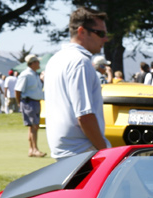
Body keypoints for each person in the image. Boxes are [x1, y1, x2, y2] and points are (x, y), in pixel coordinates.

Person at [44, 6, 111, 159]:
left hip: (65, 151)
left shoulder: (56, 59)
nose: (105, 39)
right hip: (82, 152)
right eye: (100, 33)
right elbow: (84, 116)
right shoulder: (80, 62)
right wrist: (105, 152)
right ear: (81, 31)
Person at [15, 55, 46, 158]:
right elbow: (18, 90)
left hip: (36, 102)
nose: (39, 63)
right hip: (29, 102)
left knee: (33, 127)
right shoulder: (26, 74)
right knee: (34, 126)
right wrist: (20, 103)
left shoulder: (35, 74)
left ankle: (32, 149)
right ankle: (35, 149)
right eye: (37, 61)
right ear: (33, 63)